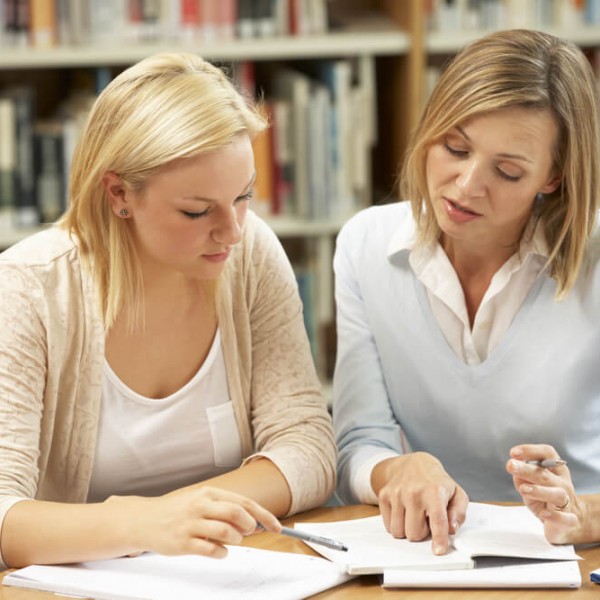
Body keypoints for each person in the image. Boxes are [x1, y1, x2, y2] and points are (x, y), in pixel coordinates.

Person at [0, 52, 336, 569]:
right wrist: (149, 523)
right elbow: (4, 513)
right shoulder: (28, 291)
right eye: (197, 211)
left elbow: (308, 446)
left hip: (227, 577)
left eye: (243, 197)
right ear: (119, 194)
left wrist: (183, 517)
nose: (233, 231)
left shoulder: (251, 256)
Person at [333, 28, 600, 556]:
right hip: (436, 556)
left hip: (578, 560)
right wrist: (396, 470)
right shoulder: (366, 245)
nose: (465, 185)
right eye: (455, 147)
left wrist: (584, 515)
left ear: (554, 177)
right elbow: (358, 443)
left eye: (507, 171)